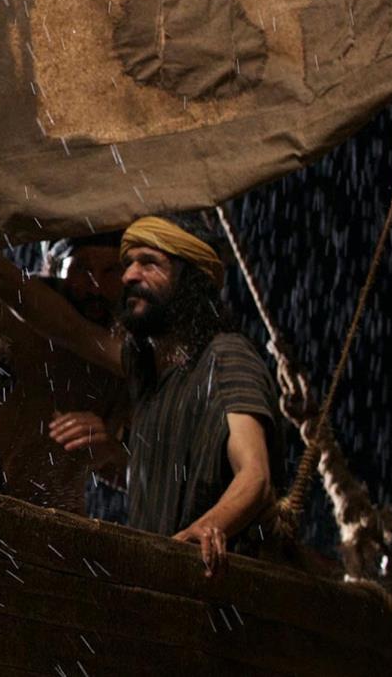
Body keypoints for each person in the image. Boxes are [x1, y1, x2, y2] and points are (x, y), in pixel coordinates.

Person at [21, 213, 283, 576]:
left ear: (189, 279)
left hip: (214, 580)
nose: (129, 276)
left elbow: (255, 474)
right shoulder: (147, 372)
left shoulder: (225, 358)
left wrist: (206, 529)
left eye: (149, 263)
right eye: (128, 263)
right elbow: (68, 328)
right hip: (164, 578)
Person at [0, 235, 130, 514]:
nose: (95, 285)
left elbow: (132, 473)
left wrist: (109, 448)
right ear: (58, 267)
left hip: (56, 518)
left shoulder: (127, 354)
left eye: (110, 271)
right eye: (82, 268)